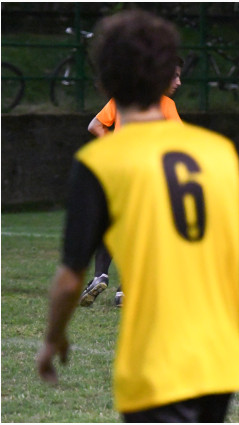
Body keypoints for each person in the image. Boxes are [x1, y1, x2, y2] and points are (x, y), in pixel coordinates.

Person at [36, 10, 239, 422]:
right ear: (168, 75)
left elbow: (66, 280)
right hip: (219, 362)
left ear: (103, 82)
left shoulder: (99, 163)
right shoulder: (217, 150)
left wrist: (53, 338)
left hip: (154, 367)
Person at [80, 57, 183, 308]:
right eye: (175, 77)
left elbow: (95, 126)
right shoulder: (165, 105)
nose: (179, 82)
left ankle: (100, 276)